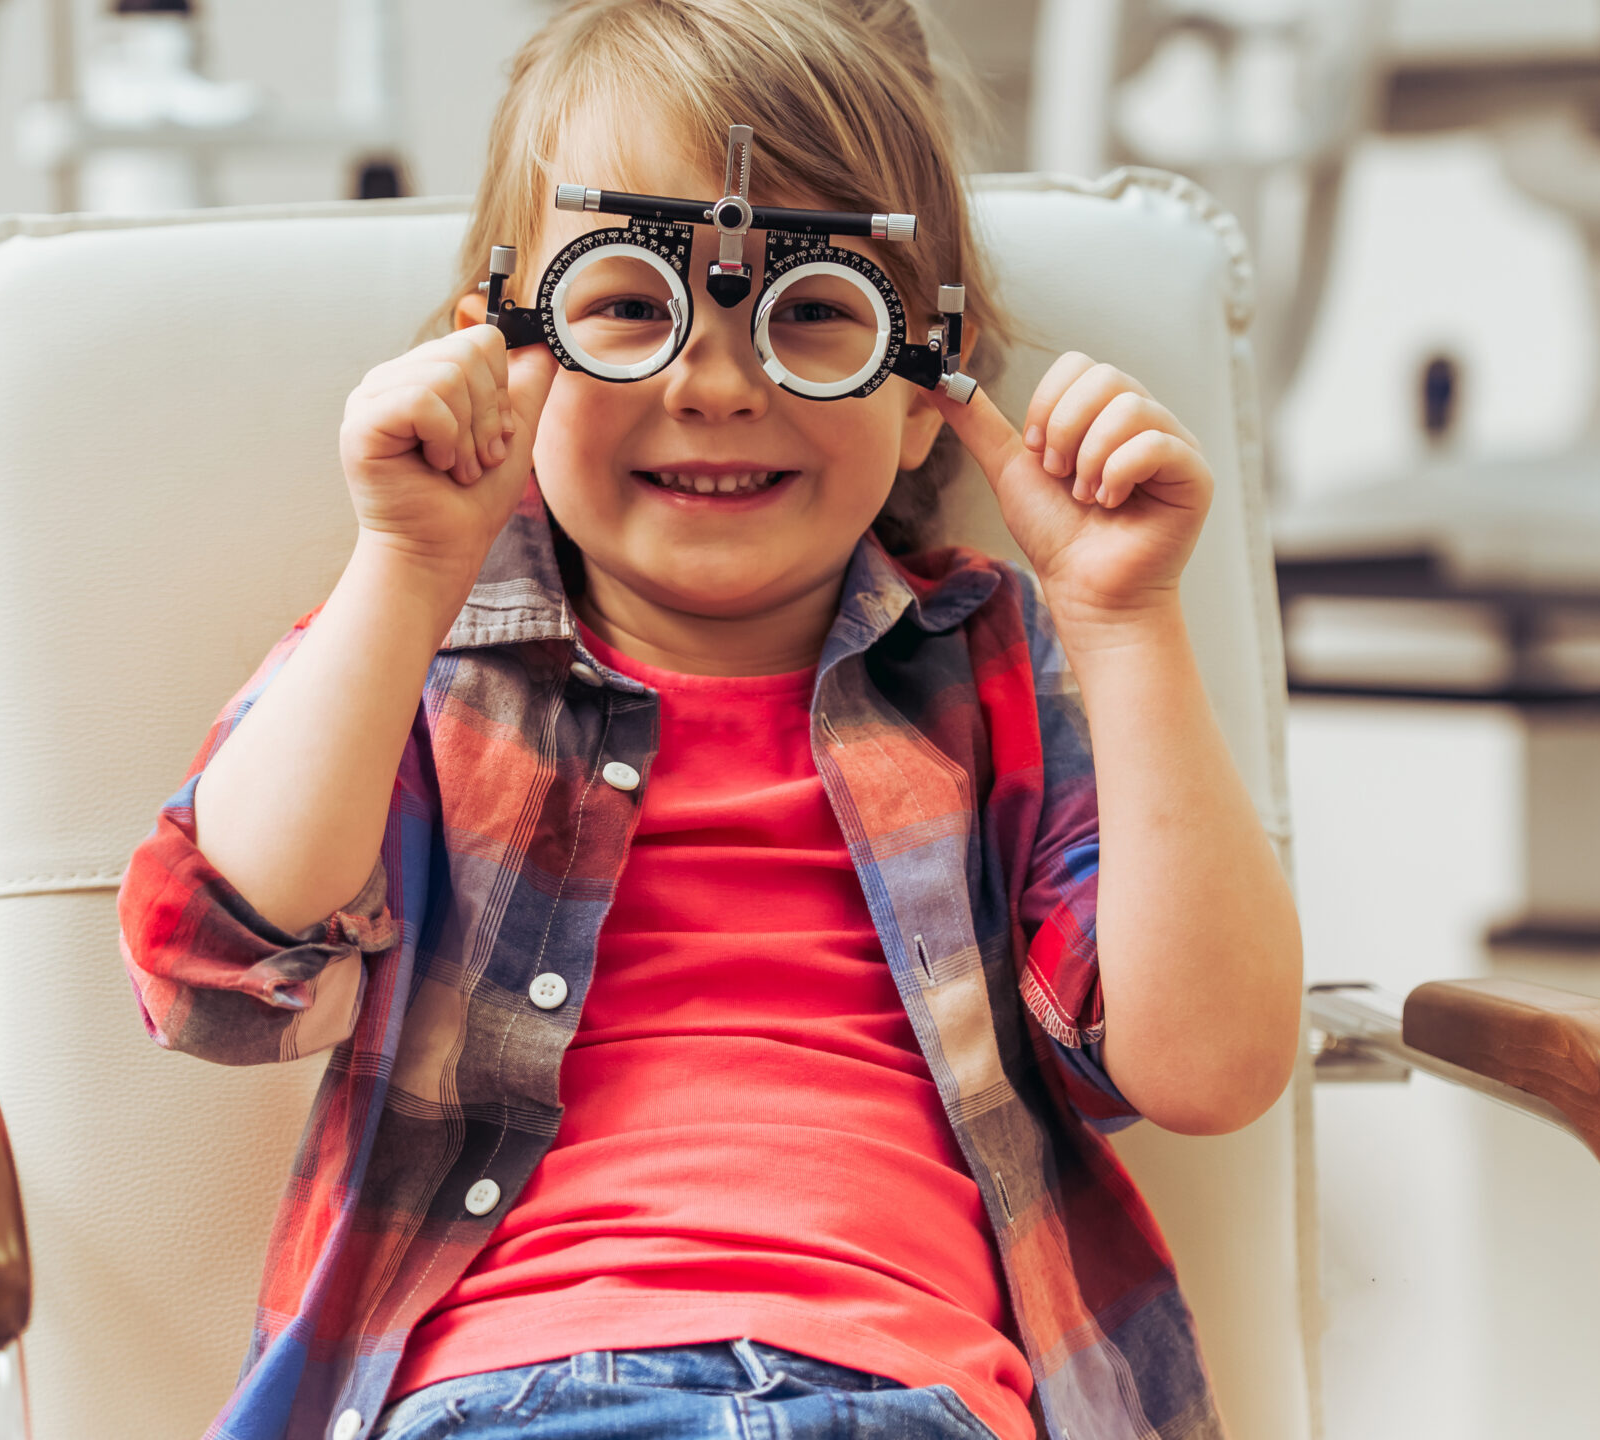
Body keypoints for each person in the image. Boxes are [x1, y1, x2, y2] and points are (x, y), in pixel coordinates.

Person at [117, 2, 1301, 1436]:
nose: (718, 384)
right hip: (512, 1401)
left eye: (814, 315)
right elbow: (213, 972)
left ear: (930, 387)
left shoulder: (996, 664)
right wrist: (409, 565)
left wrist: (1127, 621)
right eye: (627, 303)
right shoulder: (421, 660)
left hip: (904, 1399)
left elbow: (1212, 1069)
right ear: (500, 351)